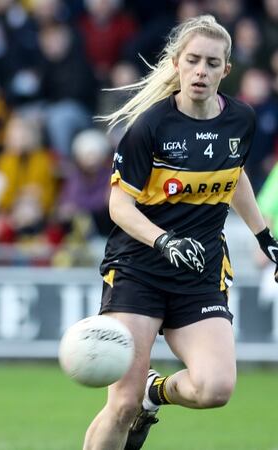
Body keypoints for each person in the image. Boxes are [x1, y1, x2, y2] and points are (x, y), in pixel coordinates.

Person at [86, 15, 278, 450]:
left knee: (215, 389)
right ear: (176, 63)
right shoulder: (150, 127)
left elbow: (235, 177)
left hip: (200, 272)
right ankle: (139, 396)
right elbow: (119, 205)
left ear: (226, 70)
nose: (201, 71)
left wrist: (265, 236)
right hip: (139, 269)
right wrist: (163, 240)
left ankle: (156, 393)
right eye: (193, 60)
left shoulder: (240, 120)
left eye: (212, 63)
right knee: (121, 403)